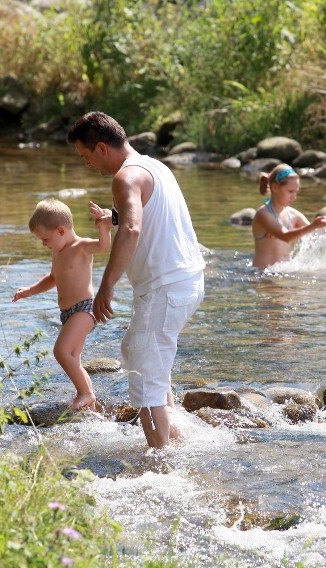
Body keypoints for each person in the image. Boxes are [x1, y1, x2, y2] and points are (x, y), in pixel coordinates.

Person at [67, 111, 205, 449]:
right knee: (135, 352)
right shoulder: (155, 167)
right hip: (185, 280)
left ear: (101, 148)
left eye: (86, 157)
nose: (87, 165)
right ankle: (174, 430)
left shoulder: (125, 178)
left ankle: (162, 465)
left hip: (166, 288)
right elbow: (144, 214)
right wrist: (111, 216)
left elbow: (132, 228)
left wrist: (107, 285)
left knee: (145, 381)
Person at [12, 198, 113, 412]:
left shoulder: (81, 246)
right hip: (67, 313)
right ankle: (90, 404)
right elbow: (52, 278)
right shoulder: (57, 252)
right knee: (73, 357)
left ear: (60, 230)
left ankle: (86, 393)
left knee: (61, 351)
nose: (44, 244)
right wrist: (29, 290)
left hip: (85, 309)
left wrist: (104, 226)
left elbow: (103, 246)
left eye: (45, 239)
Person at [251, 164, 326, 270]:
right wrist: (313, 225)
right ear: (274, 187)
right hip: (262, 276)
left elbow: (316, 233)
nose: (294, 197)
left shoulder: (293, 214)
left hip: (284, 273)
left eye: (296, 192)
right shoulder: (264, 214)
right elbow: (286, 237)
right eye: (290, 191)